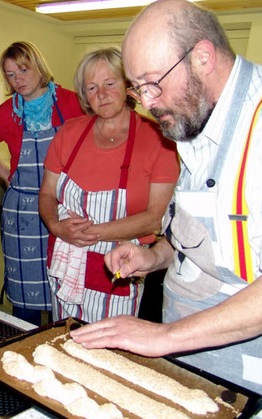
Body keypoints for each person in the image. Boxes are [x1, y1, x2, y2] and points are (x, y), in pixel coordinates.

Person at [70, 1, 262, 417]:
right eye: (138, 88)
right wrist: (154, 256)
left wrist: (164, 337)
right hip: (197, 363)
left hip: (258, 381)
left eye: (152, 84)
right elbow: (201, 233)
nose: (148, 103)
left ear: (203, 57)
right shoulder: (195, 121)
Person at [39, 47, 179, 324]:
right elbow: (46, 193)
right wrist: (56, 226)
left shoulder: (158, 140)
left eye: (109, 83)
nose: (101, 94)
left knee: (108, 352)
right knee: (62, 338)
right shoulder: (69, 134)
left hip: (119, 270)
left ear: (128, 86)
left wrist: (90, 233)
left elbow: (155, 218)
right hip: (67, 264)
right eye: (91, 88)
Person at [0, 41, 84, 325]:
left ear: (39, 67)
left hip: (63, 208)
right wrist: (8, 175)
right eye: (10, 74)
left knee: (67, 286)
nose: (18, 79)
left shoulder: (72, 103)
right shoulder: (6, 112)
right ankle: (24, 346)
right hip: (23, 215)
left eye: (23, 69)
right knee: (25, 295)